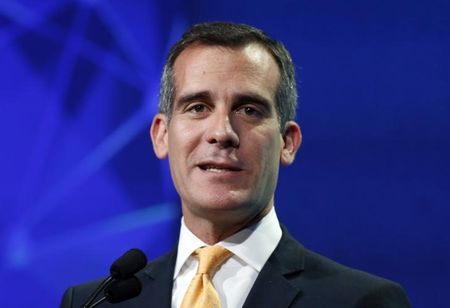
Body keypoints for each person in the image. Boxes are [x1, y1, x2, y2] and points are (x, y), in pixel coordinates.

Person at [61, 22, 411, 308]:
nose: (222, 133)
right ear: (161, 135)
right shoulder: (96, 303)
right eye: (197, 107)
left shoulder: (360, 302)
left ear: (287, 142)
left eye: (249, 110)